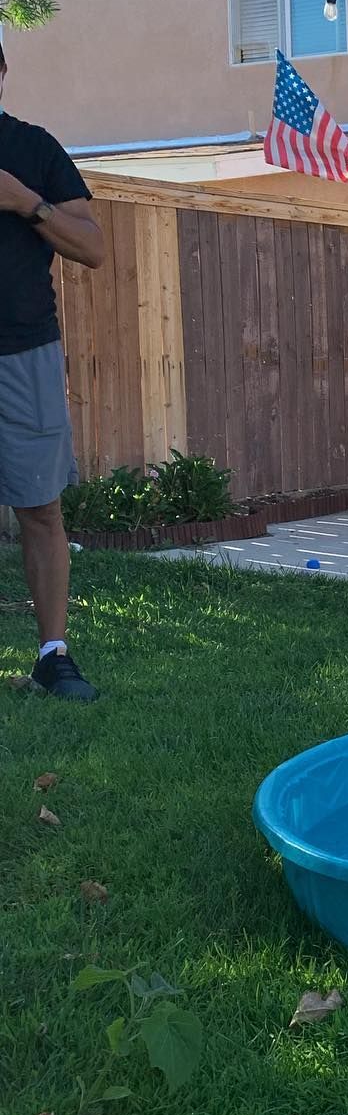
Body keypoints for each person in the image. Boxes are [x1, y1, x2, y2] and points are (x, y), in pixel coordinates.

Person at [0, 41, 105, 700]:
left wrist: (25, 202)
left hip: (24, 351)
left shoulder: (34, 149)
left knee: (39, 509)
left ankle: (52, 654)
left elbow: (93, 245)